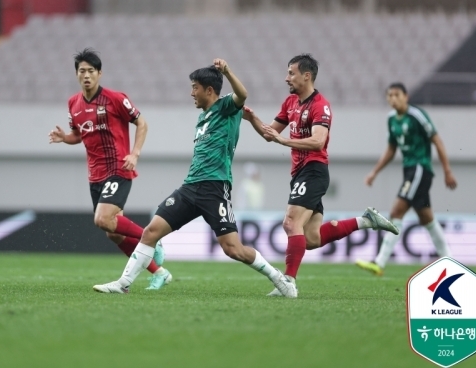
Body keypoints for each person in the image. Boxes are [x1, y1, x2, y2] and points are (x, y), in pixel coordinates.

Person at [93, 59, 296, 296]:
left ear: (209, 90)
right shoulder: (203, 116)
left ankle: (281, 281)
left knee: (233, 249)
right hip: (190, 187)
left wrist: (227, 71)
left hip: (215, 188)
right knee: (151, 232)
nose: (191, 93)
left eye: (195, 87)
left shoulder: (225, 107)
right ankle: (123, 283)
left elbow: (242, 95)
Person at [242, 54, 398, 298]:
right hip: (300, 173)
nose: (286, 78)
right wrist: (251, 118)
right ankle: (367, 221)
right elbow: (269, 133)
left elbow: (318, 141)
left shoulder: (320, 105)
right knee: (311, 238)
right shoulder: (290, 102)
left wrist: (284, 140)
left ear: (307, 75)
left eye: (291, 73)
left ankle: (288, 283)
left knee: (290, 223)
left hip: (314, 170)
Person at [48, 48, 171, 290]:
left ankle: (153, 241)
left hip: (118, 167)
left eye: (91, 71)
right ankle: (159, 273)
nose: (86, 75)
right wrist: (65, 138)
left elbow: (142, 123)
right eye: (82, 71)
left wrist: (134, 154)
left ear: (99, 73)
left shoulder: (115, 99)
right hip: (95, 175)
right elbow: (79, 135)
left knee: (102, 219)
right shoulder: (73, 103)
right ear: (76, 75)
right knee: (113, 232)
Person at [356, 82, 457, 276]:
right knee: (427, 218)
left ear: (406, 96)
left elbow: (436, 139)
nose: (392, 98)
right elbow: (391, 149)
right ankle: (450, 261)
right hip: (409, 170)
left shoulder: (417, 116)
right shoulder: (391, 119)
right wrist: (374, 172)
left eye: (396, 95)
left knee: (397, 210)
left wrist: (447, 170)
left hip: (420, 168)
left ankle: (379, 262)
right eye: (389, 95)